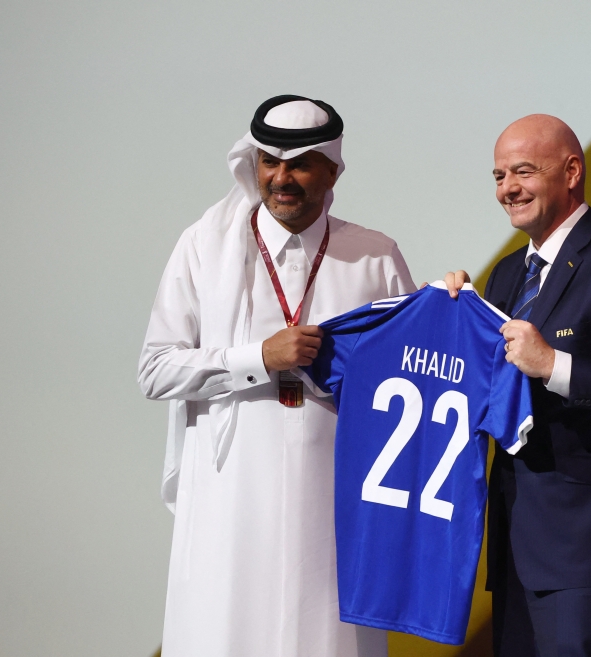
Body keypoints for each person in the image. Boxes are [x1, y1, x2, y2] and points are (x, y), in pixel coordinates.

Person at [138, 95, 414, 657]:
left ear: (332, 168)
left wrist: (450, 305)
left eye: (300, 163)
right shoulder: (204, 247)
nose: (281, 177)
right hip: (231, 496)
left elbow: (410, 377)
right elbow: (156, 368)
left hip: (337, 499)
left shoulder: (375, 256)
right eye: (269, 162)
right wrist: (256, 358)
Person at [444, 114, 591, 657]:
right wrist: (450, 317)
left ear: (571, 171)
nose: (507, 189)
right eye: (499, 176)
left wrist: (553, 363)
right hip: (518, 541)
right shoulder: (506, 275)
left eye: (523, 172)